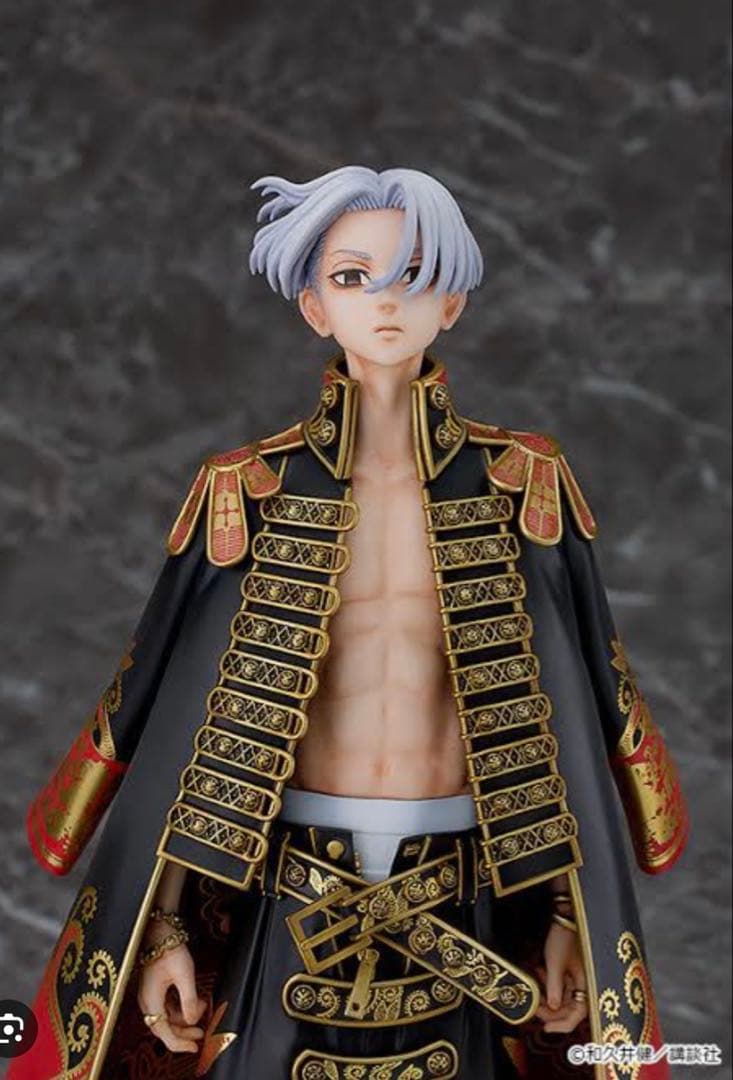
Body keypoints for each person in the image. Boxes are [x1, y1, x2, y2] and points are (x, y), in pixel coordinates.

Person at [11, 167, 688, 1080]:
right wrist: (165, 922)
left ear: (452, 302)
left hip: (471, 900)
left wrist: (568, 915)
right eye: (353, 276)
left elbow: (577, 704)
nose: (386, 301)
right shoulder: (248, 490)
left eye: (414, 274)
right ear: (312, 307)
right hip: (288, 895)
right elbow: (187, 725)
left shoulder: (519, 484)